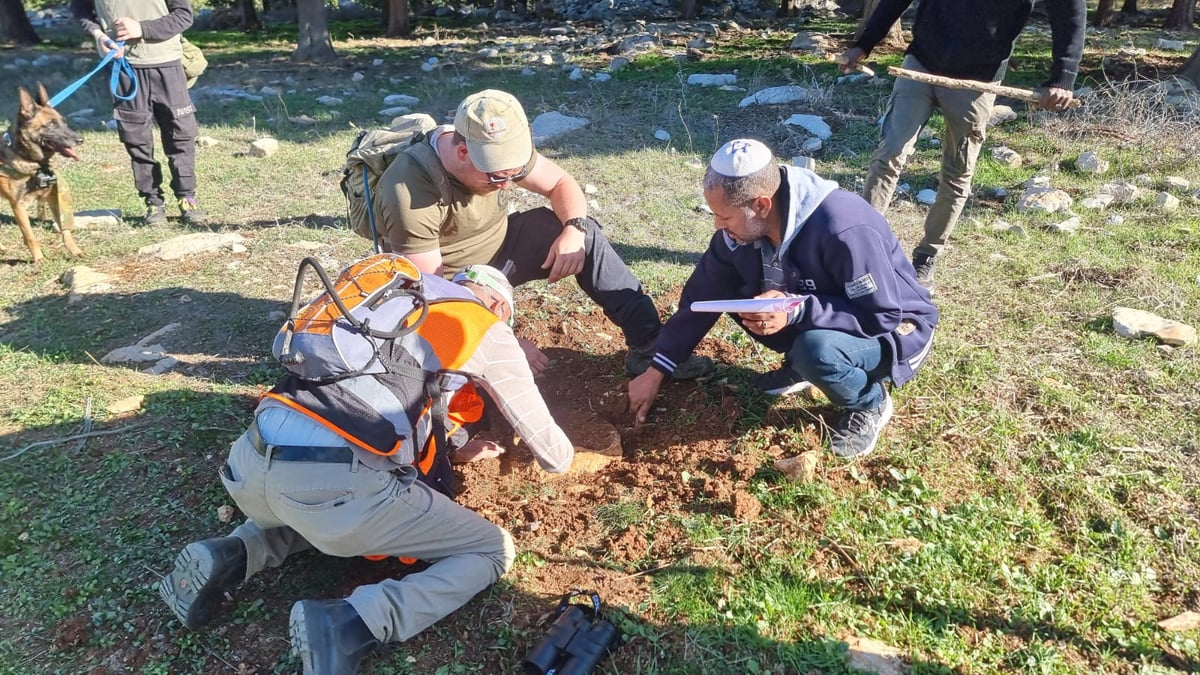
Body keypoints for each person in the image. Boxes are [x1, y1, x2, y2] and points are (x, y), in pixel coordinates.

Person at [158, 258, 573, 675]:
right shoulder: (485, 326)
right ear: (501, 307)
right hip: (337, 486)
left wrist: (455, 448)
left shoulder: (386, 303)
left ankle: (236, 551)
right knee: (490, 549)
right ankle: (352, 624)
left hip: (248, 466)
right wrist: (571, 454)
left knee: (311, 501)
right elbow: (553, 453)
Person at [628, 139, 938, 458]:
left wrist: (796, 310)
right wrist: (656, 371)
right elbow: (701, 297)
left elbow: (881, 315)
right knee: (733, 296)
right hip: (825, 316)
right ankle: (802, 366)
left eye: (725, 217)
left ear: (761, 205)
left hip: (893, 331)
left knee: (815, 351)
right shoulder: (741, 233)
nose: (718, 226)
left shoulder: (842, 227)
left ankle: (869, 402)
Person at [373, 88, 712, 380]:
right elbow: (429, 291)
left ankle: (650, 346)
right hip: (449, 278)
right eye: (496, 177)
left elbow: (561, 183)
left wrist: (574, 231)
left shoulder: (498, 152)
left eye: (515, 173)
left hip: (500, 248)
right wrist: (499, 338)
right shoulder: (409, 189)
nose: (508, 185)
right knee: (456, 348)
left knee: (585, 232)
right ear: (463, 152)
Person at [840, 0, 1086, 288]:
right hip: (922, 62)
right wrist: (864, 44)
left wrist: (1063, 77)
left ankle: (927, 256)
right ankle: (864, 247)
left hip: (978, 79)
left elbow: (1069, 13)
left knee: (957, 172)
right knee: (890, 151)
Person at [77, 0, 208, 227]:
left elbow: (183, 16)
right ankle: (153, 202)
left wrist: (142, 29)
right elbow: (80, 11)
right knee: (136, 138)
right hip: (124, 67)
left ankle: (187, 197)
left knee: (181, 134)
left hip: (166, 64)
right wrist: (99, 36)